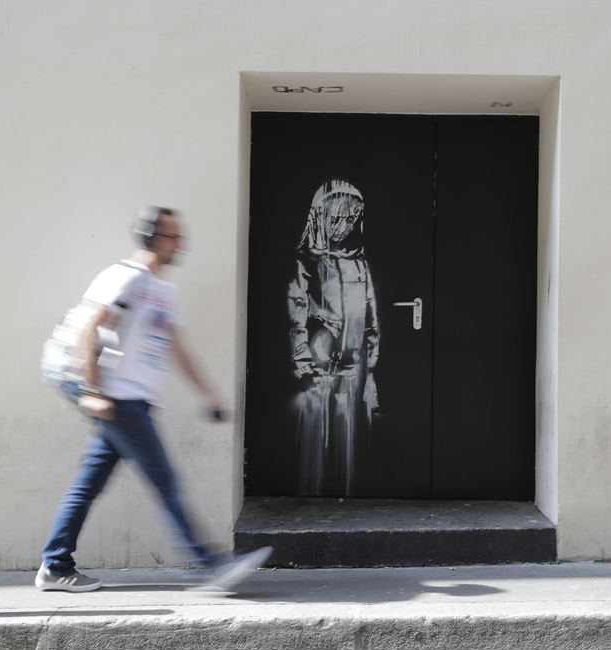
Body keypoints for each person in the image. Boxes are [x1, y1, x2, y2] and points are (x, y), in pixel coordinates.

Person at [36, 206, 270, 592]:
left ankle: (55, 565)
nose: (180, 244)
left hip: (134, 401)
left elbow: (179, 349)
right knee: (164, 479)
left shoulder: (164, 292)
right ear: (152, 237)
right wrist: (93, 393)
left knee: (87, 485)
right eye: (173, 236)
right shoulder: (123, 279)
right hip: (118, 399)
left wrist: (210, 394)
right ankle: (210, 565)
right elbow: (90, 332)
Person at [287, 180, 379, 497]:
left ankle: (350, 490)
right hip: (317, 374)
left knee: (353, 445)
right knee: (316, 445)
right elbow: (296, 315)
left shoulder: (359, 262)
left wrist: (371, 363)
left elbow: (371, 317)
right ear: (319, 216)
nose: (344, 225)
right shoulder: (306, 263)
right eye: (337, 217)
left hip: (355, 372)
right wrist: (303, 365)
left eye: (351, 218)